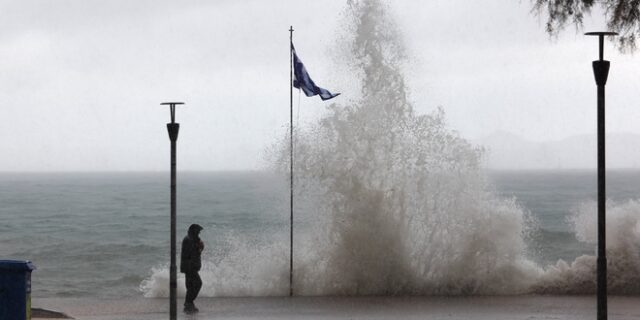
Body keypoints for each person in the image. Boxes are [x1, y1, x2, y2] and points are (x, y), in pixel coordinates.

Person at [180, 223, 204, 313]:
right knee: (197, 284)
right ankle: (189, 302)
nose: (199, 234)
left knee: (191, 286)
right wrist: (199, 247)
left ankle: (189, 303)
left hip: (189, 267)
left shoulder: (191, 239)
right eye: (198, 232)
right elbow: (192, 254)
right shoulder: (189, 240)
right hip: (190, 268)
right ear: (194, 231)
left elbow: (195, 252)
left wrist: (199, 246)